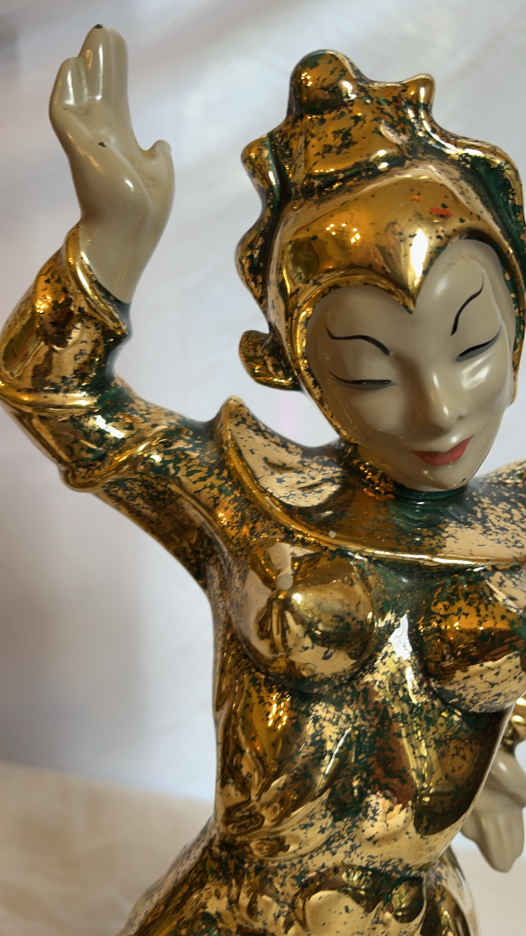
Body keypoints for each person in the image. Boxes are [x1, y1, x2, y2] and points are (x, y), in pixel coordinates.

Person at [1, 25, 525, 936]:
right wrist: (110, 248)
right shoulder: (247, 500)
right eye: (369, 369)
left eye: (471, 343)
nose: (437, 409)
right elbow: (53, 394)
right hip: (242, 916)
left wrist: (491, 758)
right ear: (289, 366)